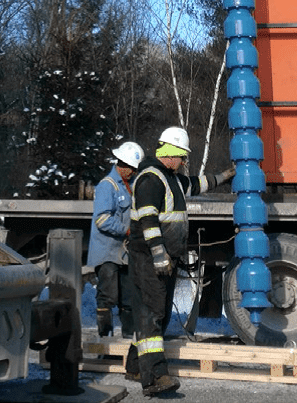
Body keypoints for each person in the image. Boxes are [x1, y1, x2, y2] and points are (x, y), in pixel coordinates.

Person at [125, 127, 235, 396]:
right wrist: (159, 253)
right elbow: (148, 221)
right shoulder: (150, 179)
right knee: (153, 315)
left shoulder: (171, 179)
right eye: (182, 156)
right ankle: (155, 379)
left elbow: (197, 184)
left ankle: (135, 366)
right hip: (149, 259)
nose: (185, 161)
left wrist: (225, 176)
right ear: (171, 154)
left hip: (165, 259)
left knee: (154, 316)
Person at [87, 140, 144, 337]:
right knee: (107, 297)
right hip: (107, 253)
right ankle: (105, 340)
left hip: (123, 253)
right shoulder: (107, 186)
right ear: (123, 165)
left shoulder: (131, 185)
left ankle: (128, 339)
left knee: (128, 298)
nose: (134, 172)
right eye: (132, 169)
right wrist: (127, 230)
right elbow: (102, 220)